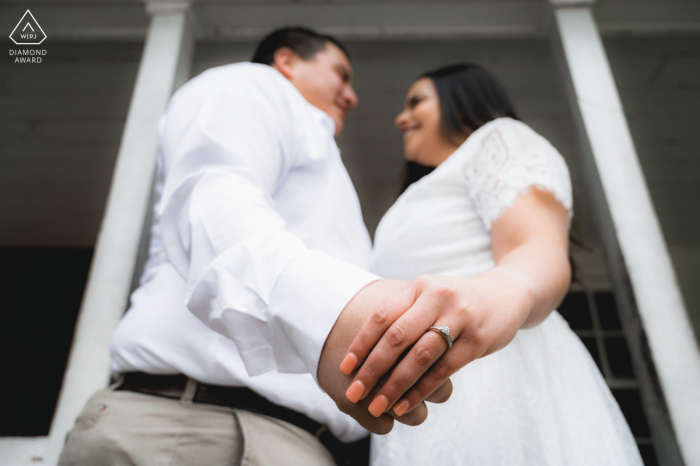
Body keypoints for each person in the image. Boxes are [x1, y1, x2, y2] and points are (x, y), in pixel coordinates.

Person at [57, 27, 454, 466]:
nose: (351, 95)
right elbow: (215, 196)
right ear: (287, 62)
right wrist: (330, 321)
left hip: (291, 441)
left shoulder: (320, 162)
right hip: (187, 426)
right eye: (340, 75)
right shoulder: (253, 86)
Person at [337, 65, 644, 465]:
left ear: (461, 100)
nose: (400, 118)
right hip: (425, 398)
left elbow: (538, 247)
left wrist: (489, 299)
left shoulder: (500, 139)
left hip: (496, 373)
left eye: (417, 101)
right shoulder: (425, 189)